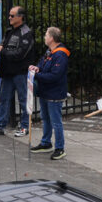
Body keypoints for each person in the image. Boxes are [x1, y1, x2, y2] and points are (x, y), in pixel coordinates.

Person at [0, 6, 37, 137]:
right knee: (4, 99)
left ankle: (25, 126)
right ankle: (0, 126)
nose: (9, 18)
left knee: (23, 100)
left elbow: (20, 54)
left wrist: (2, 50)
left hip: (20, 73)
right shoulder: (9, 30)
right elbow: (4, 46)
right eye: (9, 15)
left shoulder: (27, 33)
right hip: (8, 72)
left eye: (12, 16)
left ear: (20, 17)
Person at [29, 27, 69, 160]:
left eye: (46, 35)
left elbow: (55, 76)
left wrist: (37, 75)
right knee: (45, 118)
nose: (45, 37)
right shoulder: (49, 52)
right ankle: (46, 143)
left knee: (56, 121)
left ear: (52, 38)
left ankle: (60, 148)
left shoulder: (60, 54)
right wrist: (37, 68)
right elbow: (42, 65)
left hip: (55, 93)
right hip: (45, 91)